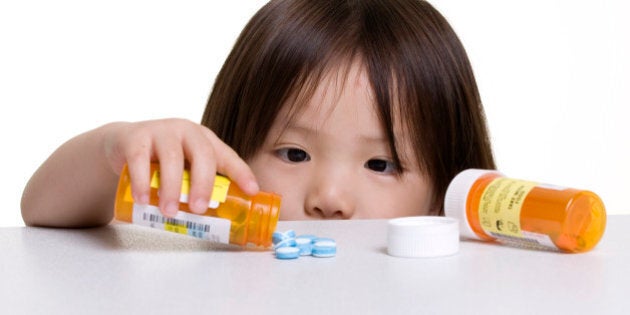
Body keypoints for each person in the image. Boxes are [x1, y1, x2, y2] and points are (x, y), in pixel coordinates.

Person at [21, 0, 495, 227]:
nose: (329, 199)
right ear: (228, 151)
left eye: (380, 165)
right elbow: (41, 211)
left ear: (446, 196)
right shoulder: (213, 223)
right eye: (293, 153)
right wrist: (113, 151)